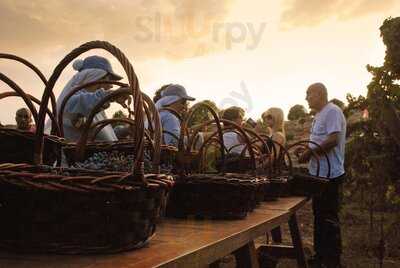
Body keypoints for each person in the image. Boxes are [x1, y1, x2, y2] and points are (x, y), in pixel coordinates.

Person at [298, 82, 346, 268]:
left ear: (319, 94)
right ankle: (320, 257)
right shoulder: (319, 115)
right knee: (319, 216)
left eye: (308, 94)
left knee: (328, 218)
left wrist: (310, 153)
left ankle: (332, 261)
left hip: (330, 175)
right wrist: (306, 150)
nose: (306, 98)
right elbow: (319, 141)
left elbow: (333, 140)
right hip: (319, 174)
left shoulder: (332, 111)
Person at [51, 55, 128, 142]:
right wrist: (111, 95)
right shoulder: (72, 99)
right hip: (82, 155)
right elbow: (74, 104)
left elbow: (102, 135)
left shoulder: (95, 104)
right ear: (95, 77)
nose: (111, 85)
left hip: (103, 153)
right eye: (109, 79)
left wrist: (126, 130)